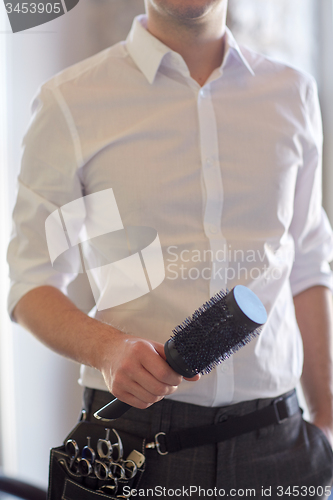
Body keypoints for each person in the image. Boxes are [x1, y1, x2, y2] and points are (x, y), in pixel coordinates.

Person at [7, 0, 333, 498]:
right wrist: (108, 349)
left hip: (279, 446)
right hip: (131, 445)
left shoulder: (291, 94)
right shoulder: (72, 102)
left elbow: (308, 262)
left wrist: (327, 414)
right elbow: (31, 283)